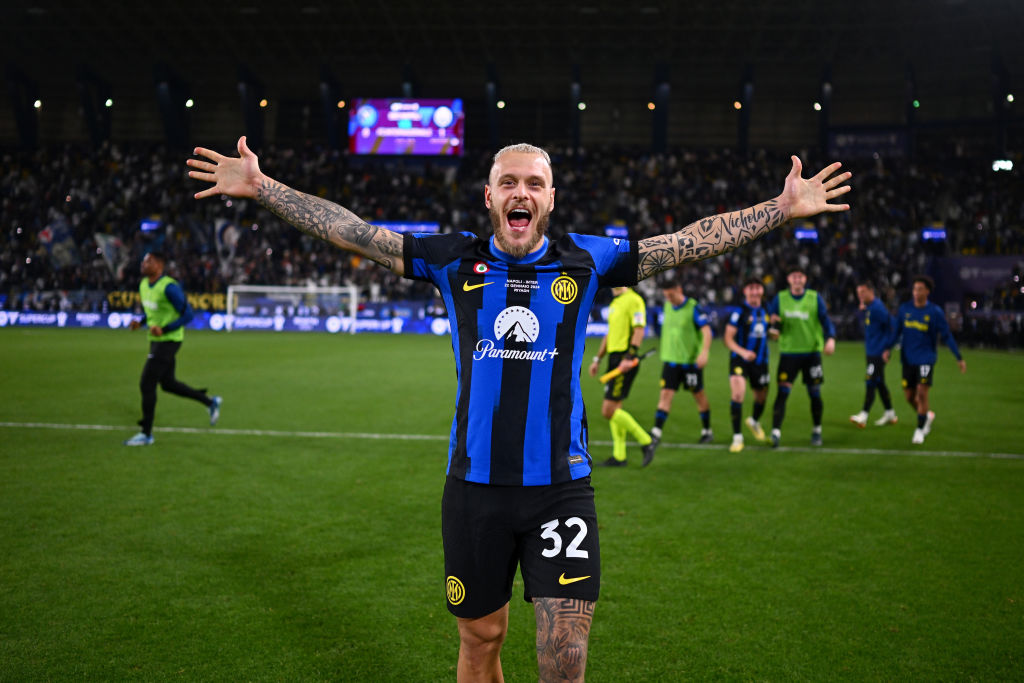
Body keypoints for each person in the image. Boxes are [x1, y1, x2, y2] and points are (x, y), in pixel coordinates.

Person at [188, 136, 850, 681]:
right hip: (473, 489)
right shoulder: (453, 260)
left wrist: (779, 208)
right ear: (490, 197)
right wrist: (264, 185)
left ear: (551, 198)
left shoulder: (586, 259)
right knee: (482, 638)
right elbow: (355, 232)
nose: (521, 193)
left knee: (565, 662)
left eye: (534, 183)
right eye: (508, 182)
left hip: (561, 490)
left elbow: (687, 241)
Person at [123, 251, 222, 446]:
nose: (143, 263)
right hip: (156, 340)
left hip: (169, 341)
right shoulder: (144, 285)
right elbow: (154, 312)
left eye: (148, 261)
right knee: (168, 383)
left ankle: (146, 433)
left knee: (146, 383)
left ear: (159, 265)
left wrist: (165, 329)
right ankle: (210, 402)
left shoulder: (169, 287)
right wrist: (141, 322)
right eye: (143, 260)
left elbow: (189, 315)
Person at [766, 265, 837, 448]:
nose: (797, 279)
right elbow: (773, 325)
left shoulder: (814, 298)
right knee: (782, 393)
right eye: (794, 276)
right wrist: (773, 330)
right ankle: (775, 432)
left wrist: (830, 339)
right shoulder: (780, 299)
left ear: (804, 279)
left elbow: (826, 321)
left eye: (800, 276)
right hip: (789, 354)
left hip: (811, 353)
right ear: (789, 279)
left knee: (814, 394)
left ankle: (817, 430)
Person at [891, 275, 966, 444]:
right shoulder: (905, 310)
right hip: (908, 360)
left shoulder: (935, 312)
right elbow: (896, 333)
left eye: (920, 289)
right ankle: (926, 416)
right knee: (909, 396)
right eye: (914, 289)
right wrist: (887, 349)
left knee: (922, 392)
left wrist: (958, 357)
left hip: (926, 358)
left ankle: (920, 429)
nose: (916, 292)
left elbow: (946, 335)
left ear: (927, 291)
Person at [646, 278, 713, 461]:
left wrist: (704, 353)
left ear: (679, 289)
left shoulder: (693, 307)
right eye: (666, 296)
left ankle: (707, 430)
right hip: (670, 362)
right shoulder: (667, 306)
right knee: (666, 395)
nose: (669, 299)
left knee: (698, 395)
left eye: (671, 295)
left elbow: (707, 331)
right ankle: (656, 432)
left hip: (690, 363)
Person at [588, 287, 655, 467]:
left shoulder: (634, 300)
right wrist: (597, 359)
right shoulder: (615, 302)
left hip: (624, 359)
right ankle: (619, 456)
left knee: (608, 410)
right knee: (615, 408)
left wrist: (630, 356)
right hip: (614, 358)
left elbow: (639, 329)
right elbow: (610, 334)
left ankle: (647, 441)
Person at [722, 277, 771, 453]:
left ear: (762, 291)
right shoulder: (739, 312)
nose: (755, 291)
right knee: (738, 395)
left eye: (757, 288)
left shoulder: (767, 309)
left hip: (761, 361)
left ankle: (754, 421)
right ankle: (737, 437)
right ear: (745, 291)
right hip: (739, 359)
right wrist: (743, 352)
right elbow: (727, 338)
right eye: (751, 288)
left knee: (761, 397)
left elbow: (769, 330)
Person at [849, 281, 898, 428]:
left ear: (871, 291)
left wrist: (888, 348)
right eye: (858, 293)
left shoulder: (877, 308)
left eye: (863, 292)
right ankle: (890, 413)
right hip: (871, 351)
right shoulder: (869, 307)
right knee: (879, 382)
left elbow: (893, 325)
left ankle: (863, 415)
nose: (860, 296)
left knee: (870, 381)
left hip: (878, 353)